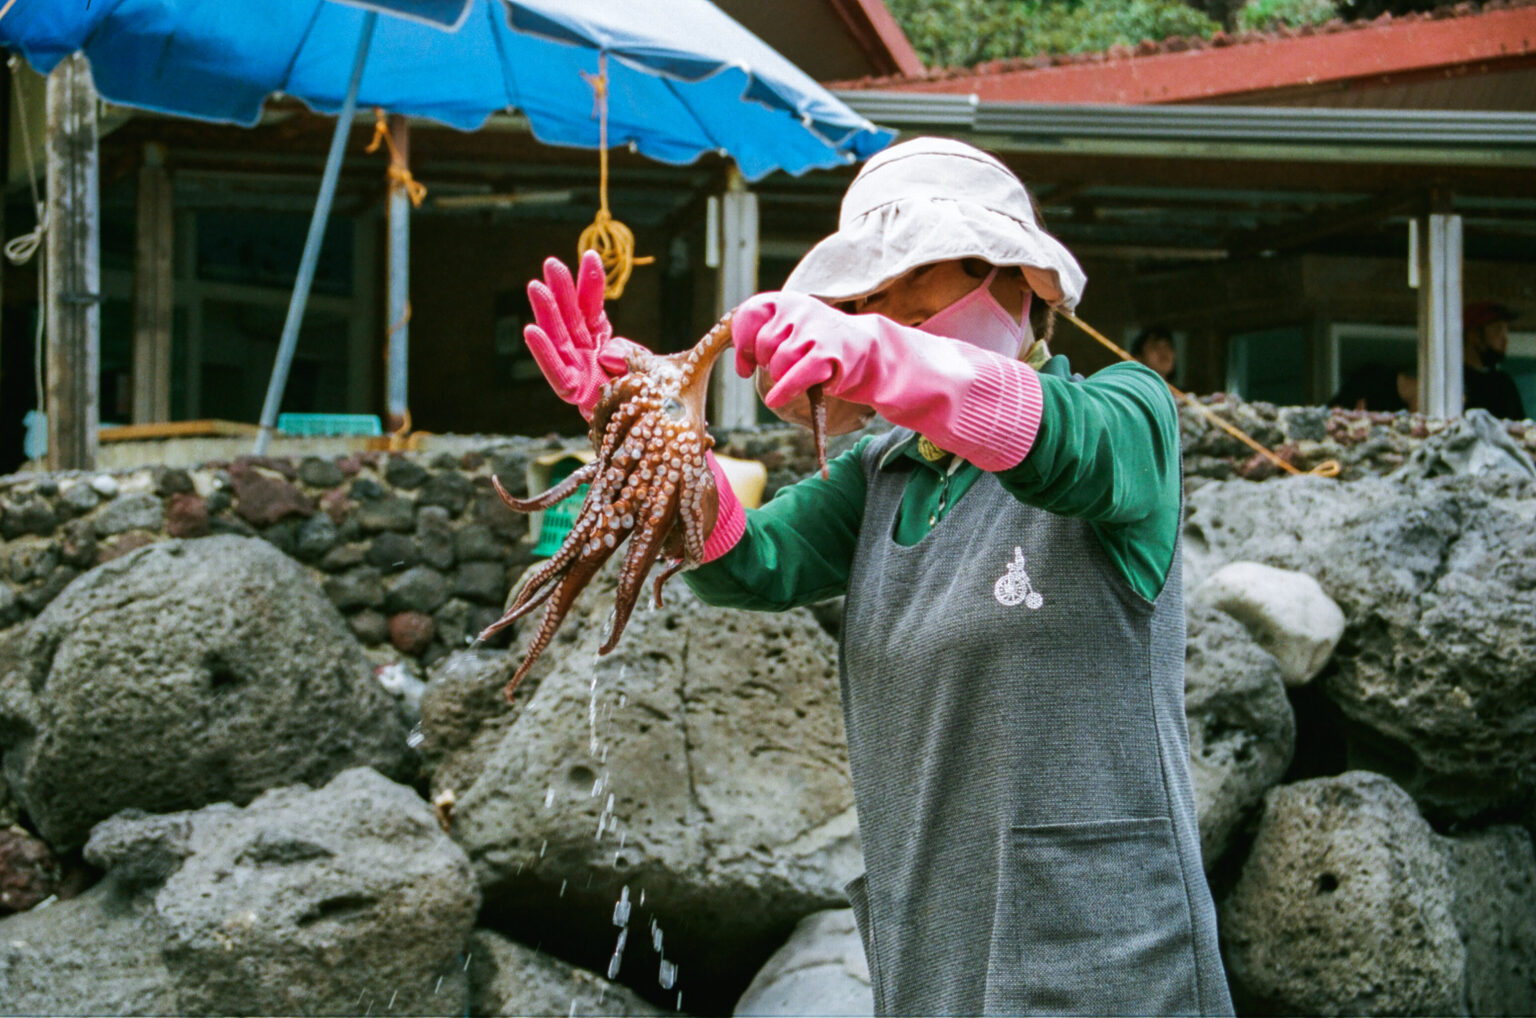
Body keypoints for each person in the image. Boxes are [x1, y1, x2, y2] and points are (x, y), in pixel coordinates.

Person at [522, 137, 1233, 1016]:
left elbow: (1059, 444)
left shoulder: (1128, 417)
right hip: (933, 952)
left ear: (1013, 279)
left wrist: (882, 358)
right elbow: (746, 560)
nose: (884, 309)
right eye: (865, 295)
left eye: (914, 279)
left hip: (1106, 956)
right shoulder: (884, 474)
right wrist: (638, 420)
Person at [1463, 301, 1526, 420]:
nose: (1505, 340)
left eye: (1506, 331)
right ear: (1474, 335)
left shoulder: (1504, 383)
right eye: (1497, 330)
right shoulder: (1456, 382)